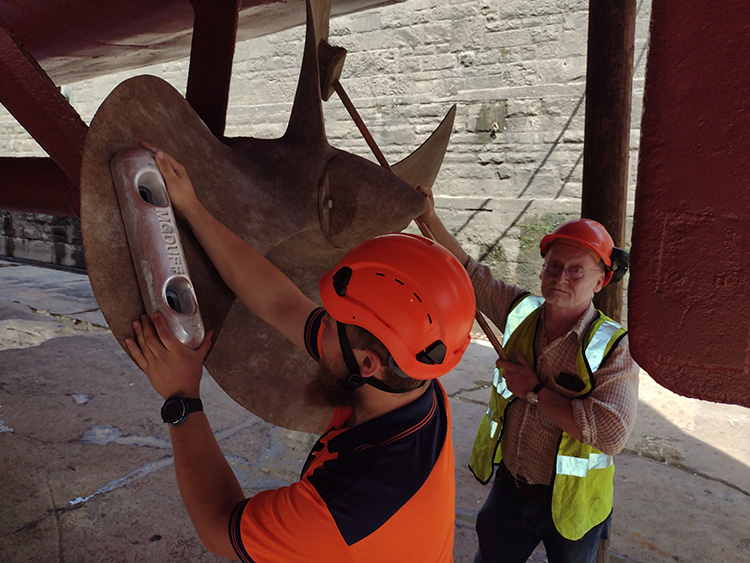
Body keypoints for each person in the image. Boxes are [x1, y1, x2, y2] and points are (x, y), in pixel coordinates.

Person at [124, 143, 477, 562]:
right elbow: (278, 300)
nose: (317, 320)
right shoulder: (416, 386)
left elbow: (221, 529)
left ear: (367, 364)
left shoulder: (345, 507)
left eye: (330, 321)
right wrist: (193, 210)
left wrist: (181, 398)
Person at [416, 185, 639, 563]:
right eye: (553, 267)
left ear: (600, 281)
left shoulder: (614, 346)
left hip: (571, 503)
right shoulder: (521, 311)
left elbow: (610, 433)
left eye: (575, 271)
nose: (560, 278)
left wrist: (533, 390)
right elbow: (470, 274)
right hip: (511, 489)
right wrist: (428, 218)